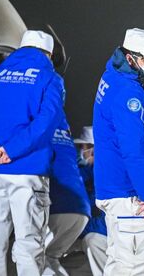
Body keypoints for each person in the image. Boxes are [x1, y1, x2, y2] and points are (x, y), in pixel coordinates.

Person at [0, 30, 64, 275]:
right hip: (27, 170)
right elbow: (46, 122)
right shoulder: (50, 78)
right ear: (48, 54)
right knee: (29, 243)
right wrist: (12, 150)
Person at [92, 28, 144, 276]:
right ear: (130, 58)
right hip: (129, 193)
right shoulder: (128, 93)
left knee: (118, 264)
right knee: (131, 267)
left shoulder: (116, 77)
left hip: (116, 187)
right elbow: (134, 148)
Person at [43, 118, 91, 276]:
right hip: (82, 213)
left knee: (29, 256)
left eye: (85, 146)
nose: (81, 150)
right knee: (50, 258)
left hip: (59, 208)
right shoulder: (66, 146)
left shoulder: (40, 135)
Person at [73, 126, 107, 276]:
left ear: (94, 149)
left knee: (93, 240)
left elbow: (106, 224)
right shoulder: (87, 172)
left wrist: (75, 229)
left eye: (83, 146)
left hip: (109, 238)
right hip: (86, 233)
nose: (81, 150)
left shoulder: (108, 176)